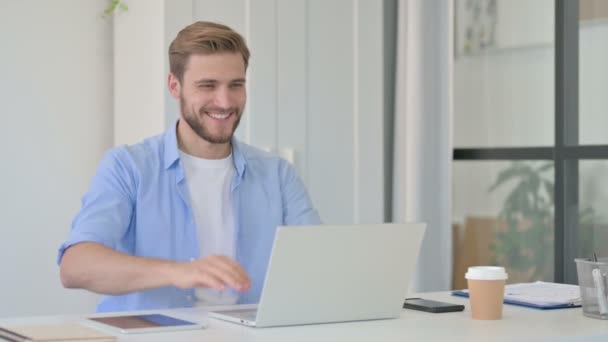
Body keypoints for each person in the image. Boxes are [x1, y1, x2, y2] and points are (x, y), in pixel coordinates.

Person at [58, 21, 321, 312]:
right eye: (207, 85)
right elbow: (75, 267)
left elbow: (317, 264)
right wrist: (178, 271)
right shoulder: (128, 166)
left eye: (236, 85)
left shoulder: (278, 174)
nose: (224, 101)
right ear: (175, 86)